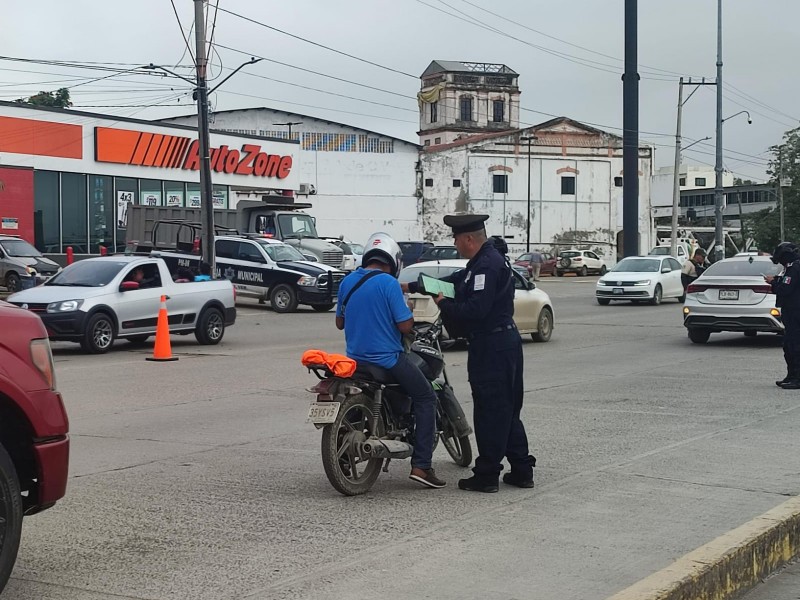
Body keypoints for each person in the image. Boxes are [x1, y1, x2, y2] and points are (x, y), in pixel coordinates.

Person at [403, 214, 535, 493]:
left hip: (492, 346)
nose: (454, 243)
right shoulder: (481, 263)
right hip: (502, 344)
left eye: (456, 238)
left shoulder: (487, 266)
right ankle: (521, 469)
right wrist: (413, 286)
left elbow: (476, 310)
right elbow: (453, 282)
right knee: (507, 409)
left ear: (469, 239)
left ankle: (487, 475)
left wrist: (445, 305)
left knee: (490, 410)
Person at [335, 232, 445, 489]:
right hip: (387, 360)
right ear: (394, 261)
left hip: (355, 361)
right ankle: (422, 466)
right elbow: (405, 326)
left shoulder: (347, 281)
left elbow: (340, 322)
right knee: (426, 397)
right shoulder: (389, 284)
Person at [766, 242, 800, 389]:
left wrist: (773, 283)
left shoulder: (794, 268)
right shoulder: (790, 268)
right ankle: (791, 375)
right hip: (790, 312)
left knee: (795, 345)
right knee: (788, 345)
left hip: (795, 312)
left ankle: (797, 378)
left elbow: (785, 289)